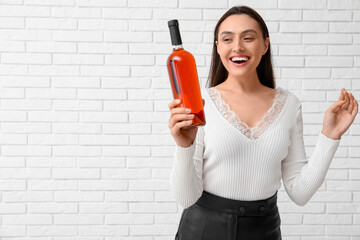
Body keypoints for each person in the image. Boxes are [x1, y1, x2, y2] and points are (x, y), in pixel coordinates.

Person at [167, 5, 358, 240]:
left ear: (265, 45)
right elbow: (185, 198)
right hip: (203, 229)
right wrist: (183, 146)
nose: (237, 47)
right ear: (218, 47)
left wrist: (330, 136)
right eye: (227, 39)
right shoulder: (200, 102)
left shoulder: (289, 104)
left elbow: (300, 192)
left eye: (248, 38)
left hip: (264, 230)